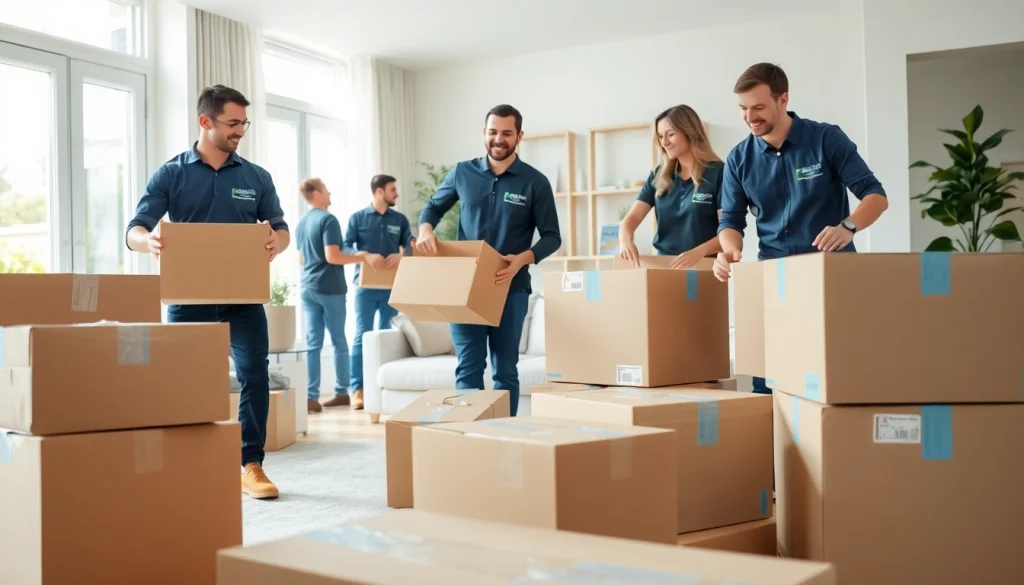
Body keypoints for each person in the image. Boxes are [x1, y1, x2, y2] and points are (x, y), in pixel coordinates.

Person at [125, 84, 290, 500]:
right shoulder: (172, 174)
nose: (241, 131)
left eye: (244, 123)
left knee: (255, 375)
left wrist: (277, 242)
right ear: (206, 122)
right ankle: (188, 460)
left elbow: (281, 228)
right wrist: (150, 242)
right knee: (185, 380)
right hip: (189, 298)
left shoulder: (256, 177)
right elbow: (134, 230)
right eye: (233, 123)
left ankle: (249, 463)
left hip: (243, 297)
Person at [713, 63, 888, 394]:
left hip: (832, 277)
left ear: (783, 100)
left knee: (837, 378)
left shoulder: (825, 139)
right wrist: (729, 250)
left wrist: (848, 226)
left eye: (759, 107)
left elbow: (876, 196)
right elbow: (730, 221)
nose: (750, 117)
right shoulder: (739, 158)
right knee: (773, 381)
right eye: (743, 109)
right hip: (776, 282)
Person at [415, 104, 561, 416]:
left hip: (511, 287)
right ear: (484, 133)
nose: (498, 139)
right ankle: (471, 435)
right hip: (464, 287)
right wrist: (426, 230)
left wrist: (524, 258)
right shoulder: (462, 172)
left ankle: (504, 435)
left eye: (506, 133)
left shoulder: (535, 182)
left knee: (505, 370)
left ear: (519, 136)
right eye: (492, 132)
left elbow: (552, 236)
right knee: (468, 368)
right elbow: (431, 208)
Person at [619, 105, 725, 268]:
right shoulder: (658, 175)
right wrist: (626, 240)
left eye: (671, 134)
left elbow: (729, 231)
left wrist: (699, 252)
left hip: (705, 267)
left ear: (690, 132)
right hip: (665, 267)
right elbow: (630, 220)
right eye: (661, 136)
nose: (665, 142)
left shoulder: (719, 173)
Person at [343, 174, 413, 408]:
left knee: (386, 337)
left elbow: (412, 248)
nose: (397, 194)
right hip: (364, 288)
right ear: (380, 192)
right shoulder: (357, 218)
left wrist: (400, 254)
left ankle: (380, 387)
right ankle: (358, 390)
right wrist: (364, 255)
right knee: (361, 335)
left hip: (391, 288)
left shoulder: (400, 220)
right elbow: (344, 246)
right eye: (393, 189)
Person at [295, 178, 363, 413]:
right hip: (330, 288)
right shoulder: (328, 219)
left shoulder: (302, 222)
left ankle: (311, 396)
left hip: (307, 287)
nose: (330, 193)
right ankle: (341, 393)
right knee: (339, 342)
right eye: (326, 190)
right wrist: (362, 257)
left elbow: (301, 259)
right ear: (316, 194)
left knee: (313, 344)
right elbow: (333, 256)